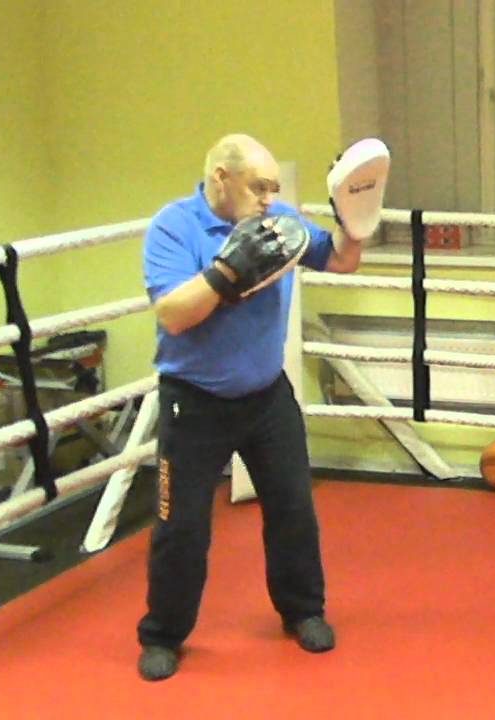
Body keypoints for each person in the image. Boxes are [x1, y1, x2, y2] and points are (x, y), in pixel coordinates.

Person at [137, 133, 377, 681]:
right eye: (258, 187)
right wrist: (227, 272)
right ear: (221, 177)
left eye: (274, 188)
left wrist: (354, 217)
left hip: (267, 397)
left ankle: (303, 611)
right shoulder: (174, 227)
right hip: (193, 403)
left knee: (293, 509)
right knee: (181, 527)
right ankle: (163, 634)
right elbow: (173, 314)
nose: (270, 199)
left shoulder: (280, 221)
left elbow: (342, 260)